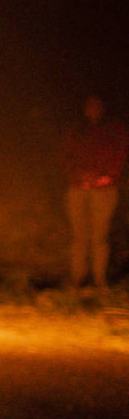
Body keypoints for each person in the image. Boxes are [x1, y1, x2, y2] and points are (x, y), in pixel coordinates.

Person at [60, 94, 127, 290]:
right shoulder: (77, 130)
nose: (94, 109)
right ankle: (78, 279)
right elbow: (66, 156)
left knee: (100, 236)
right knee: (79, 236)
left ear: (104, 107)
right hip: (78, 188)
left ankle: (99, 280)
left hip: (105, 189)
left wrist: (106, 177)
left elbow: (121, 154)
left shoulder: (115, 129)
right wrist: (79, 177)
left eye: (98, 105)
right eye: (90, 105)